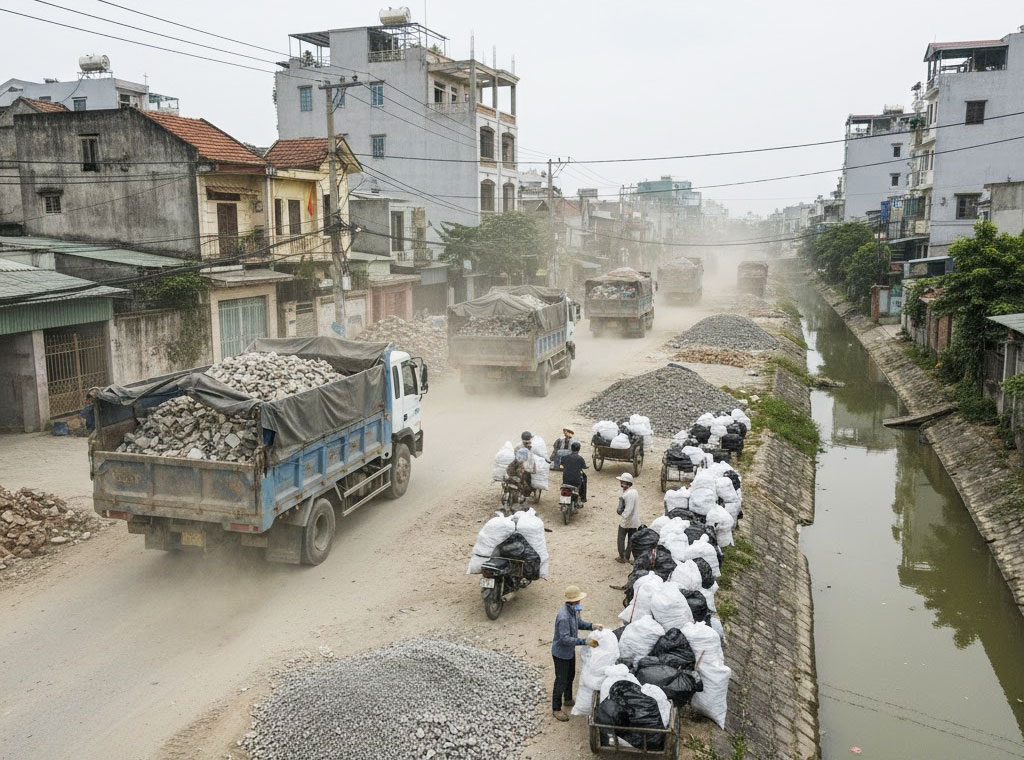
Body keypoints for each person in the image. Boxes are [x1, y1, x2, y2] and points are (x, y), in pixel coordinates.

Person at [551, 585, 602, 721]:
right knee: (561, 680)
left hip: (569, 651)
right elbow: (565, 639)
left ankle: (568, 699)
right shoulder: (563, 617)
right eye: (578, 600)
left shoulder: (573, 611)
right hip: (561, 654)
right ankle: (556, 708)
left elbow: (578, 623)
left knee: (570, 675)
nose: (580, 602)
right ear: (573, 601)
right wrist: (585, 641)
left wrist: (592, 626)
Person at [615, 472, 640, 563]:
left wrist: (623, 516)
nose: (621, 483)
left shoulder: (627, 494)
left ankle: (622, 557)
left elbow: (628, 510)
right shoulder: (634, 492)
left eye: (622, 482)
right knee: (631, 540)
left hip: (627, 520)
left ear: (626, 483)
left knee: (621, 539)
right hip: (635, 521)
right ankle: (627, 556)